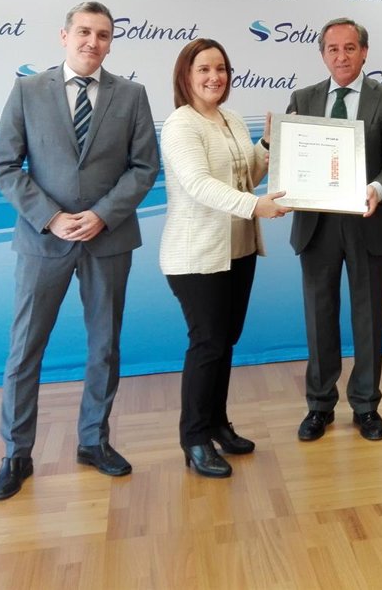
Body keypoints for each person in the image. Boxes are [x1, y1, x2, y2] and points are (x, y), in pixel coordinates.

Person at [0, 0, 159, 501]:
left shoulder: (132, 95)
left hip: (108, 238)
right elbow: (4, 165)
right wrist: (51, 217)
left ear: (111, 42)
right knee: (25, 349)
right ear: (64, 36)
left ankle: (93, 441)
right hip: (44, 239)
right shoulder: (27, 90)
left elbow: (145, 167)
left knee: (104, 345)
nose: (92, 42)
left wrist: (102, 214)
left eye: (103, 35)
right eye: (84, 32)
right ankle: (16, 454)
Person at [159, 39, 291, 478]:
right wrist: (256, 206)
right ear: (186, 76)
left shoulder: (231, 118)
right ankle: (194, 438)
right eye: (204, 69)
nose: (214, 77)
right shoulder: (180, 124)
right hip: (197, 256)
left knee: (224, 342)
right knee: (208, 344)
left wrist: (267, 143)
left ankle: (217, 423)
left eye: (221, 68)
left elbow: (246, 175)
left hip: (238, 250)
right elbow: (198, 184)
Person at [287, 18, 382, 442]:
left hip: (369, 221)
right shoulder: (302, 98)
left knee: (368, 317)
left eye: (350, 47)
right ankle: (319, 406)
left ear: (365, 51)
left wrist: (378, 188)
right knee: (319, 317)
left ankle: (366, 406)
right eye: (333, 49)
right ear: (323, 54)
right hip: (316, 225)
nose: (341, 56)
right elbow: (292, 158)